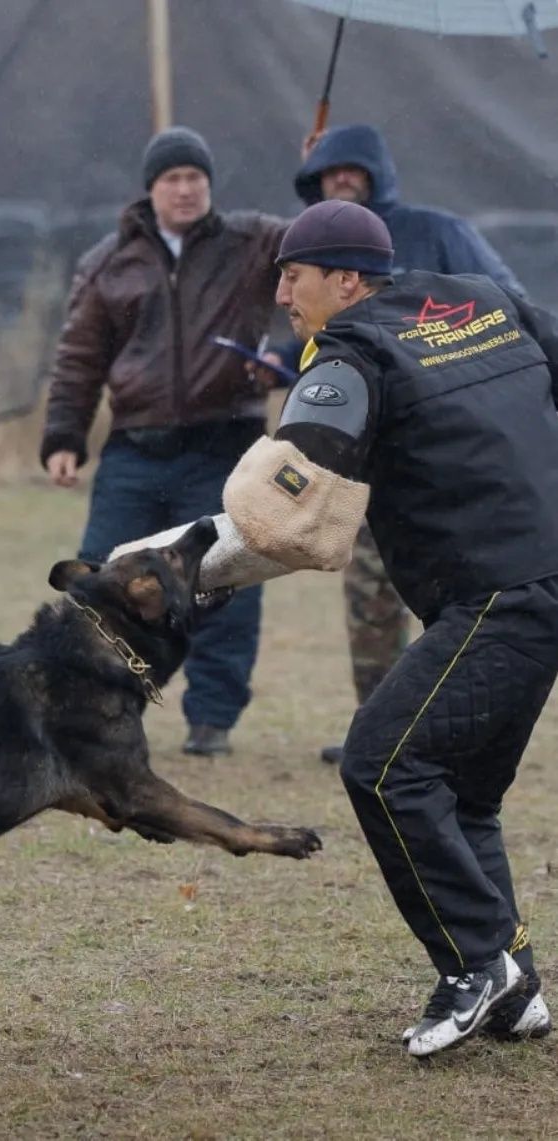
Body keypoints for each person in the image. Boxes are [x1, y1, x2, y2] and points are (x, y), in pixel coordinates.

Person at [118, 199, 558, 1057]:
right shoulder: (480, 298)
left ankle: (477, 967)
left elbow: (285, 511)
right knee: (461, 791)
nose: (282, 290)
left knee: (382, 767)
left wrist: (167, 569)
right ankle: (515, 987)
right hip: (537, 577)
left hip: (498, 592)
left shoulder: (352, 353)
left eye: (295, 273)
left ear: (348, 279)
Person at [40, 126, 286, 756]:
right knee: (99, 580)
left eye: (195, 178)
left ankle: (212, 721)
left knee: (224, 582)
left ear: (210, 185)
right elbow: (78, 357)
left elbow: (324, 249)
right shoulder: (108, 263)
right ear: (150, 189)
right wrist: (64, 435)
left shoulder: (254, 243)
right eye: (172, 179)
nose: (185, 189)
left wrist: (284, 353)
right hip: (135, 447)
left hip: (224, 446)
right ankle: (93, 708)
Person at [292, 124, 526, 766]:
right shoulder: (316, 254)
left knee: (453, 599)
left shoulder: (438, 232)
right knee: (370, 601)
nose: (341, 180)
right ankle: (380, 728)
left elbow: (511, 306)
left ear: (377, 172)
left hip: (447, 455)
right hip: (368, 457)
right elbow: (311, 342)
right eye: (326, 173)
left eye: (352, 171)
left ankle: (458, 730)